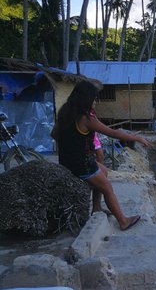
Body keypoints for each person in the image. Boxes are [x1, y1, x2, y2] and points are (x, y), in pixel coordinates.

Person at [51, 81, 150, 231]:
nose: (95, 102)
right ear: (86, 99)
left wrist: (71, 143)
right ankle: (123, 221)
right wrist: (136, 138)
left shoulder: (65, 112)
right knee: (108, 188)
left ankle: (96, 208)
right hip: (82, 164)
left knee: (103, 171)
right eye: (94, 99)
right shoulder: (86, 118)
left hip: (67, 161)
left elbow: (54, 135)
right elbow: (112, 133)